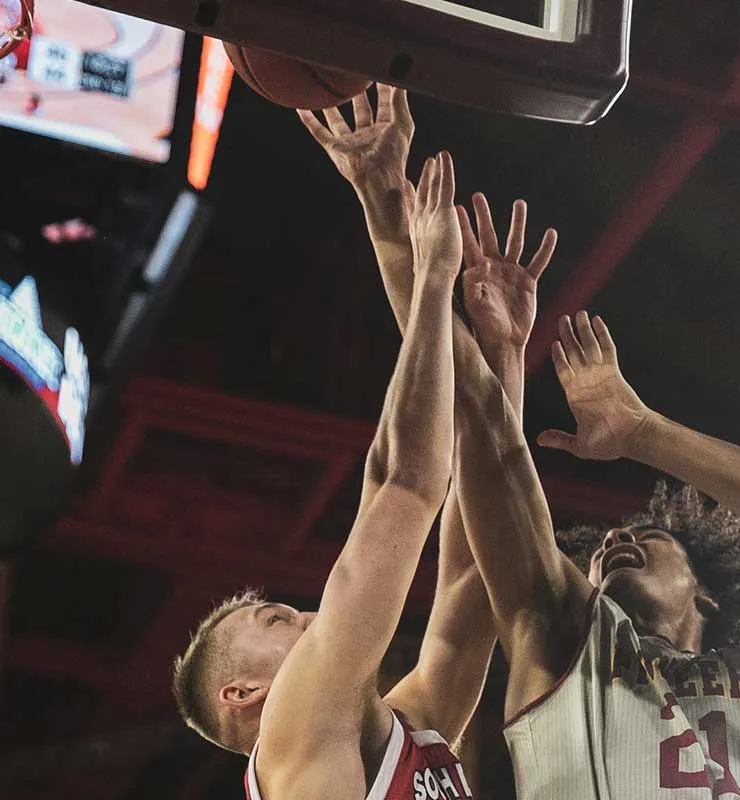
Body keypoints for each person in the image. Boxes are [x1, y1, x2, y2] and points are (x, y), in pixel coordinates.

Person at [170, 87, 538, 800]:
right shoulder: (292, 733)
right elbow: (403, 483)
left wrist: (503, 360)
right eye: (276, 620)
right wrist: (425, 273)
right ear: (242, 692)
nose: (310, 612)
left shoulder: (401, 727)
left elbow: (476, 583)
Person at [453, 301, 740, 796]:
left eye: (652, 536)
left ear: (705, 594)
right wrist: (493, 347)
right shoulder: (562, 645)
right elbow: (496, 468)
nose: (613, 539)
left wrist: (643, 431)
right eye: (600, 556)